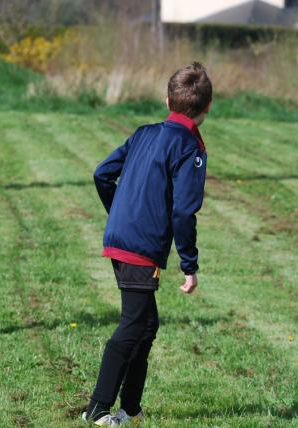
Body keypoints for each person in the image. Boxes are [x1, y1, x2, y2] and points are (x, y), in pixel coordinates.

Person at [82, 62, 212, 426]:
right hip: (140, 246)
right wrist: (190, 264)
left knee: (146, 324)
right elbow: (184, 211)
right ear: (208, 107)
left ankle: (132, 409)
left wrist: (119, 213)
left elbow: (102, 174)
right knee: (132, 324)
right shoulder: (190, 147)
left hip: (121, 238)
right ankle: (97, 409)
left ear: (166, 99)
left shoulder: (143, 132)